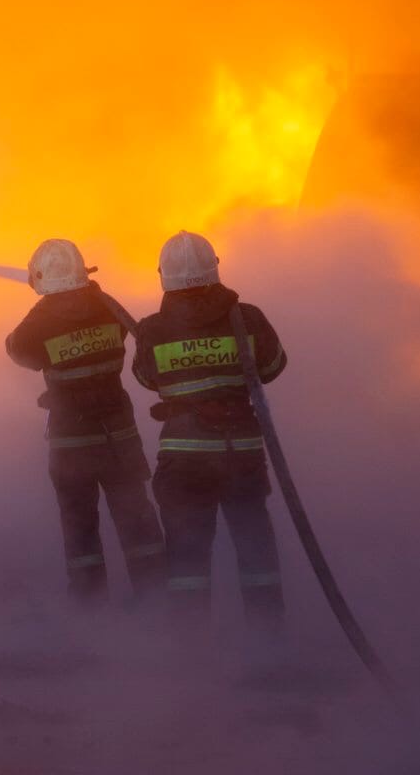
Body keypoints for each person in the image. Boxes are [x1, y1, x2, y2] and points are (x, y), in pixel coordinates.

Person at [132, 231, 287, 629]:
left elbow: (148, 379)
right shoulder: (247, 318)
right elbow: (271, 368)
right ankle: (270, 645)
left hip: (184, 462)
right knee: (257, 557)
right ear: (214, 267)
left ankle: (192, 653)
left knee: (187, 560)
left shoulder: (151, 329)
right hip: (242, 455)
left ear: (163, 274)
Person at [6, 238, 165, 604]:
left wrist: (43, 306)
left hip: (71, 443)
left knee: (80, 530)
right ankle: (156, 604)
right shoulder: (108, 308)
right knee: (136, 520)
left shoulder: (41, 321)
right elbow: (128, 333)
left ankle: (90, 610)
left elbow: (17, 349)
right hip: (119, 440)